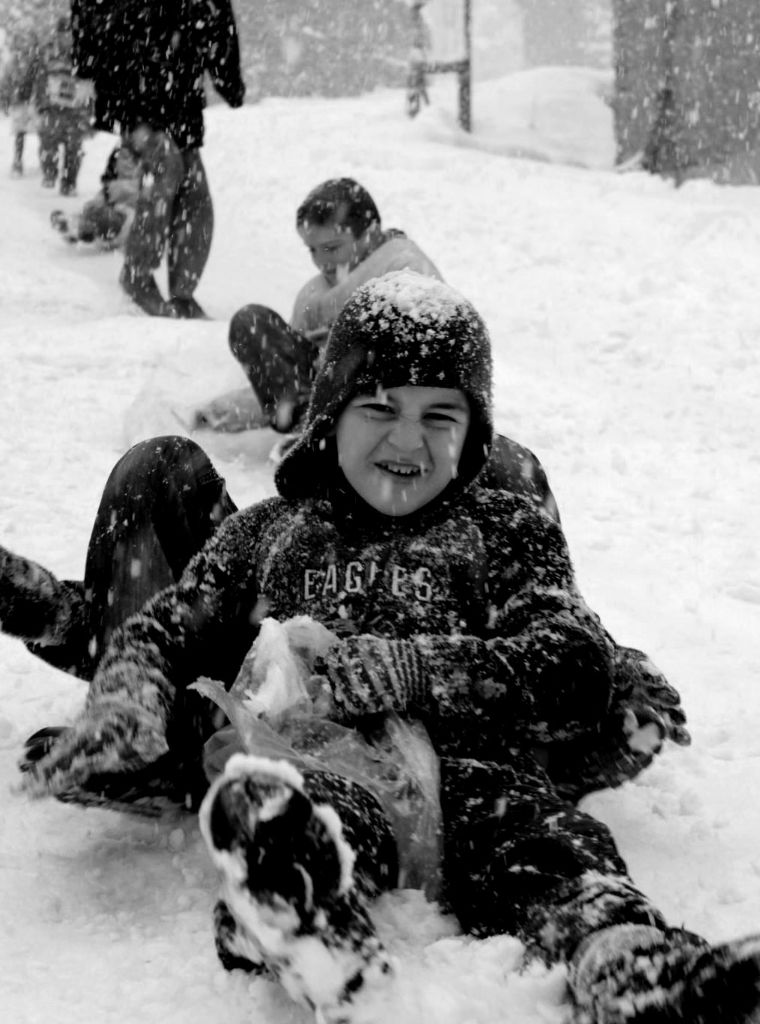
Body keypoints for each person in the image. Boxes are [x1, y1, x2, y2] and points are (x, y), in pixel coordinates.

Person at [11, 271, 733, 1024]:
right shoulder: (271, 530)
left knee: (548, 843)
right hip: (319, 765)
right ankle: (300, 920)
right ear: (330, 414)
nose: (408, 439)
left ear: (475, 432)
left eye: (440, 416)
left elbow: (575, 656)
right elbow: (170, 625)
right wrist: (128, 689)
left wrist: (419, 670)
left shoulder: (504, 530)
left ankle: (627, 963)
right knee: (295, 819)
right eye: (380, 408)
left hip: (469, 776)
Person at [221, 177, 443, 434]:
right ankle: (312, 426)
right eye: (312, 250)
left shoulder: (407, 269)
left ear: (369, 234)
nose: (321, 261)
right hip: (323, 399)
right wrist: (233, 409)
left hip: (386, 395)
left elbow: (428, 355)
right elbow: (286, 377)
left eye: (332, 248)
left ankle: (336, 428)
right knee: (251, 323)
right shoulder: (313, 293)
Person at [69, 0, 245, 319]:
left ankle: (182, 293)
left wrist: (228, 77)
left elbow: (219, 18)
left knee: (194, 193)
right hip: (132, 79)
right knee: (167, 167)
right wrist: (86, 66)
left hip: (180, 88)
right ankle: (137, 275)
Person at [34, 16, 93, 195]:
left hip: (76, 110)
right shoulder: (48, 51)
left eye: (72, 34)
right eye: (65, 33)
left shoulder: (86, 52)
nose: (68, 37)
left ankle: (69, 183)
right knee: (48, 142)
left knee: (74, 148)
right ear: (59, 34)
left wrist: (90, 111)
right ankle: (50, 173)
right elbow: (40, 76)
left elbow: (91, 83)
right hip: (52, 106)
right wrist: (41, 103)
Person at [50, 142, 140, 248]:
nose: (126, 163)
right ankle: (76, 225)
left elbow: (142, 191)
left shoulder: (148, 168)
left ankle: (86, 229)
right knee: (93, 208)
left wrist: (119, 190)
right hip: (114, 203)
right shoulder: (115, 174)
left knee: (109, 217)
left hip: (132, 210)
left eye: (128, 159)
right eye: (123, 158)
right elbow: (106, 191)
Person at [0, 26, 41, 177]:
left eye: (28, 41)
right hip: (21, 101)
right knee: (20, 133)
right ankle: (18, 162)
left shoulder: (38, 60)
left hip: (36, 101)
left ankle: (45, 161)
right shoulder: (14, 61)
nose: (25, 44)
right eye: (22, 41)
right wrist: (4, 99)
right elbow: (5, 82)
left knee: (43, 132)